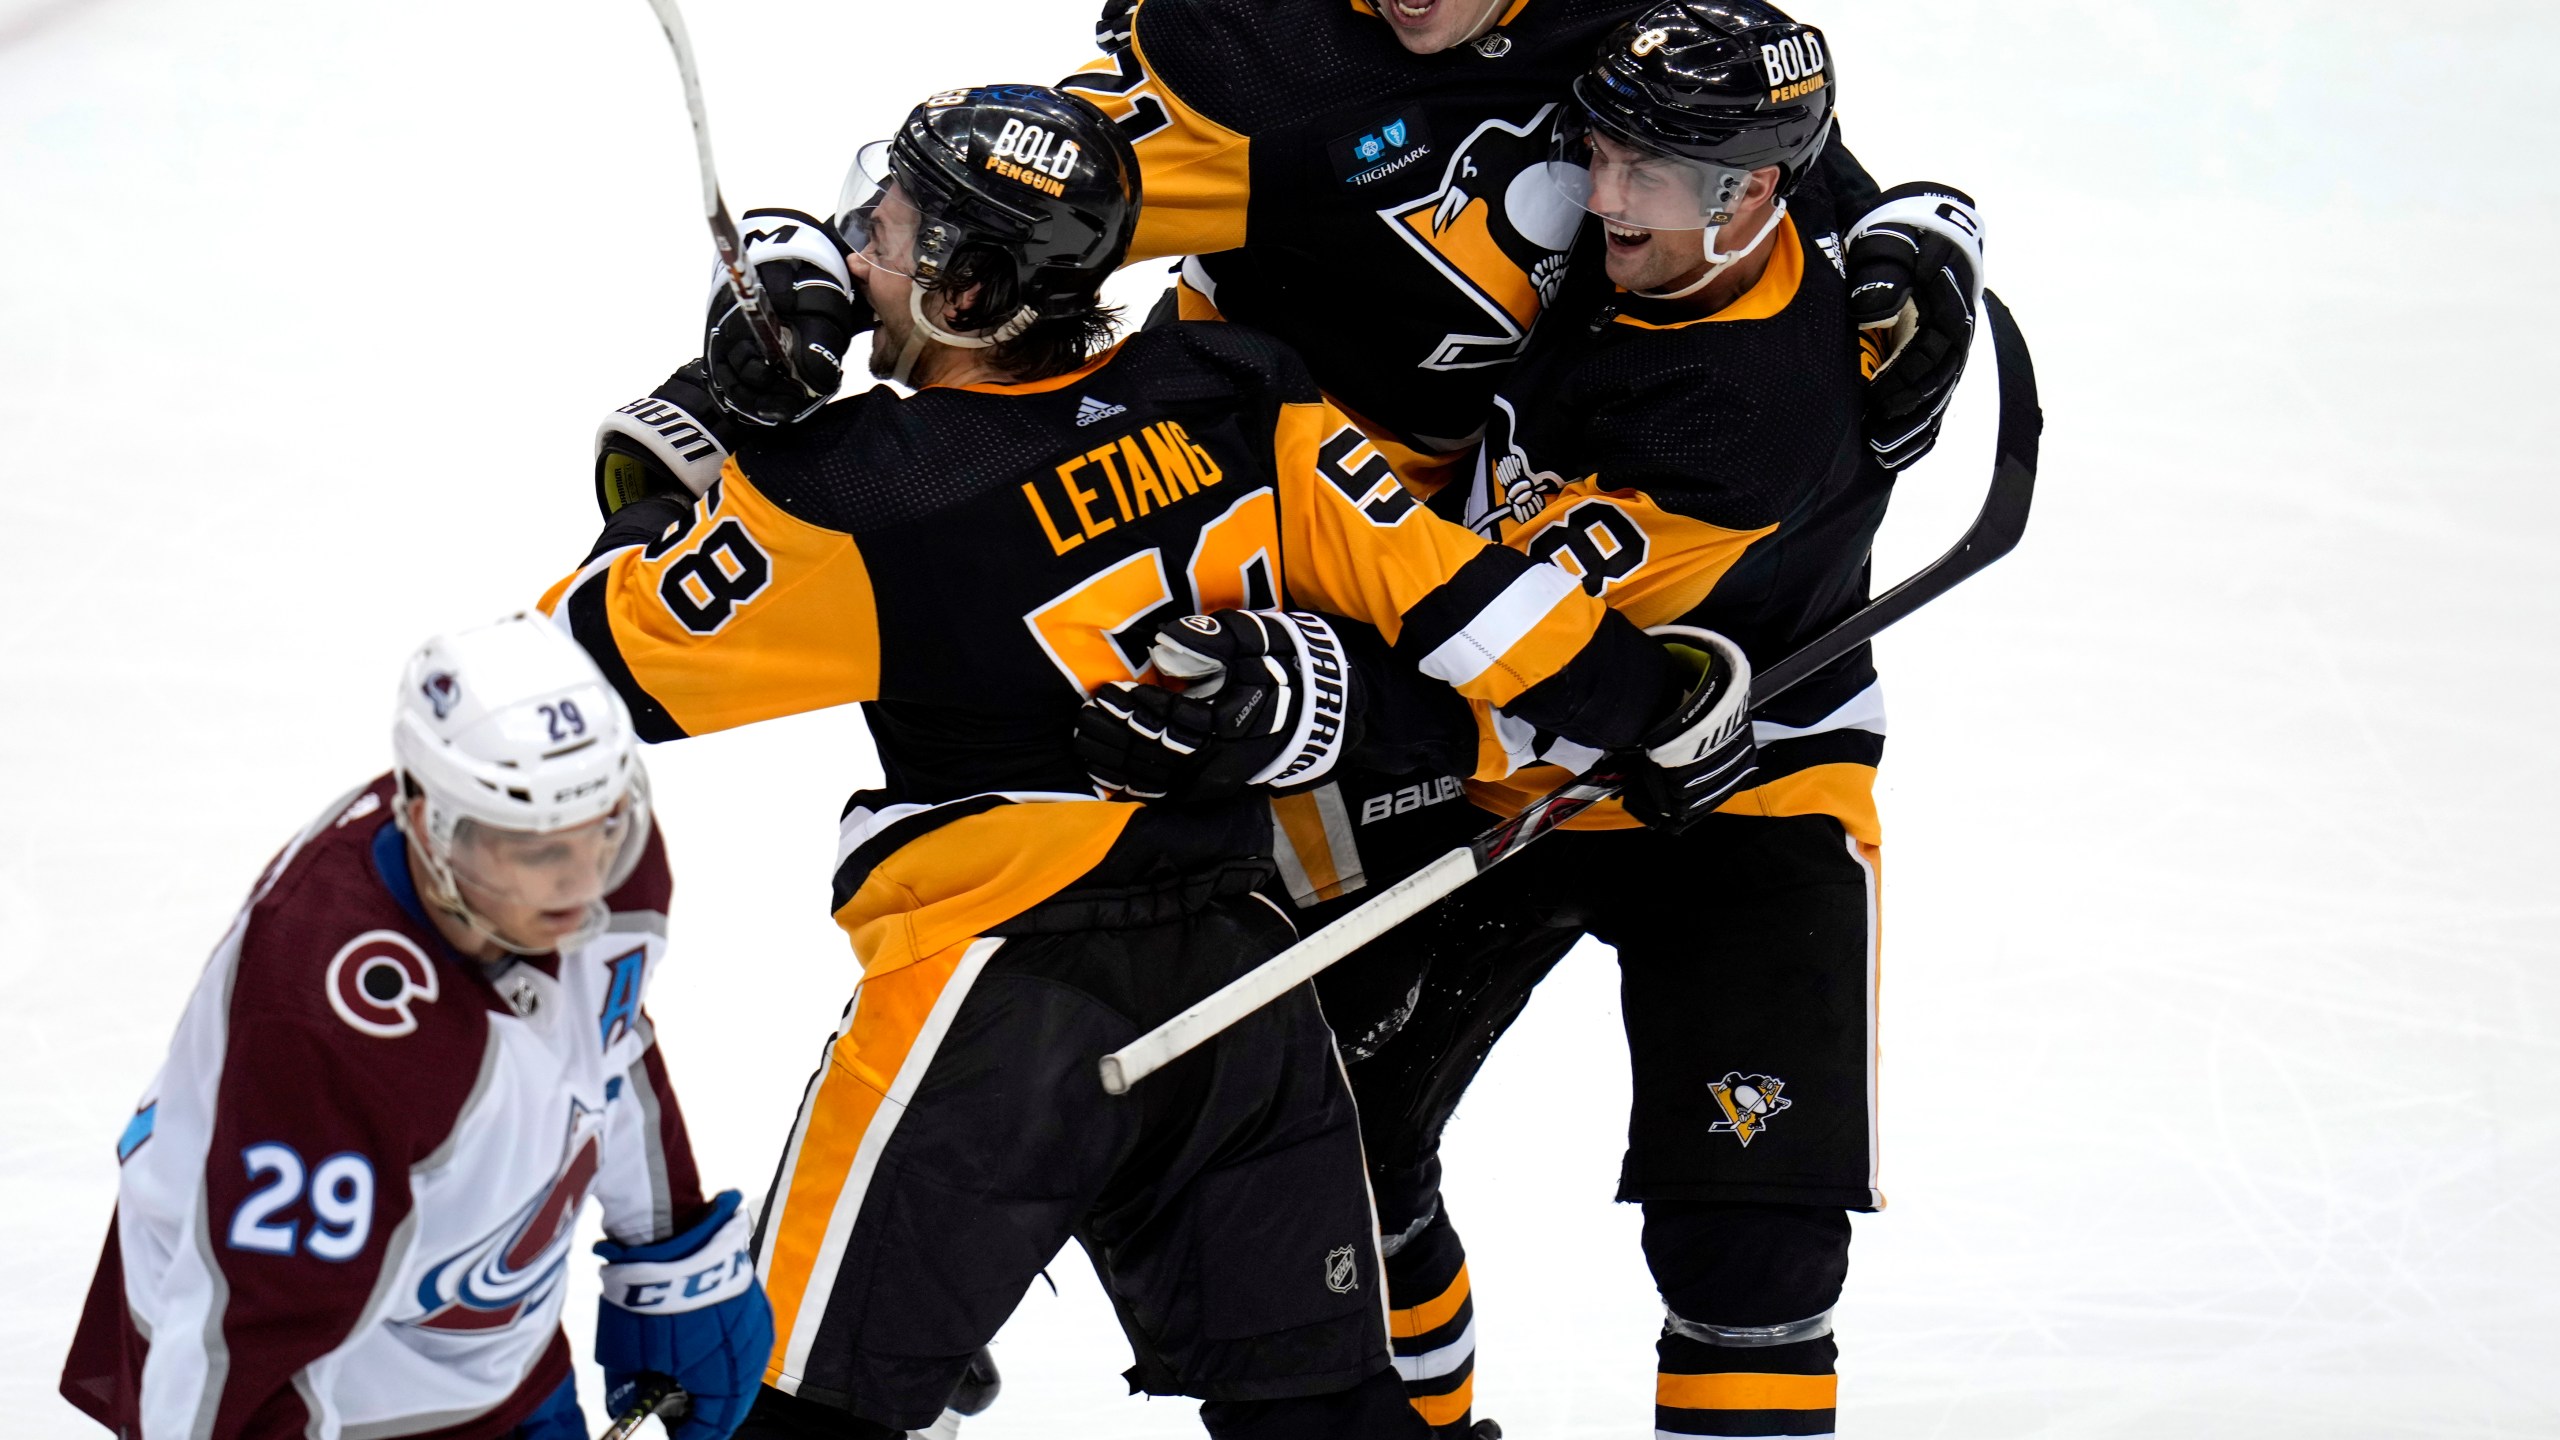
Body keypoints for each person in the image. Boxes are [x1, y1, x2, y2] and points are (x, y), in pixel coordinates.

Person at [553, 83, 1722, 1440]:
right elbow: (1471, 605)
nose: (856, 236)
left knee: (797, 1410)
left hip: (996, 1010)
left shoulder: (856, 492)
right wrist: (1662, 697)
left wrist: (706, 420)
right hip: (1244, 983)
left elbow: (571, 680)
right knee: (1327, 1419)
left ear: (973, 285)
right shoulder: (1234, 387)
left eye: (888, 222)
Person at [1073, 5, 2003, 1437]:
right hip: (1513, 767)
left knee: (1749, 1237)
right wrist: (1922, 220)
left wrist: (1303, 704)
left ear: (1751, 193)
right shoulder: (1678, 189)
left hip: (1738, 775)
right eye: (1605, 150)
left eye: (1648, 172)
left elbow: (1533, 675)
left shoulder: (1746, 418)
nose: (1603, 197)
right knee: (1345, 1151)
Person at [58, 615, 774, 1440]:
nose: (583, 883)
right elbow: (244, 1340)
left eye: (600, 831)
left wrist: (671, 1246)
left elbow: (609, 1040)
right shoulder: (326, 1028)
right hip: (300, 1382)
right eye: (536, 849)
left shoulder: (609, 866)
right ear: (432, 824)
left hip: (489, 1332)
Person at [1055, 0, 1983, 490]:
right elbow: (1011, 196)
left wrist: (1893, 221)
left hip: (1483, 492)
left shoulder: (1634, 13)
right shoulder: (1254, 49)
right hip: (1237, 462)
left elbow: (1746, 115)